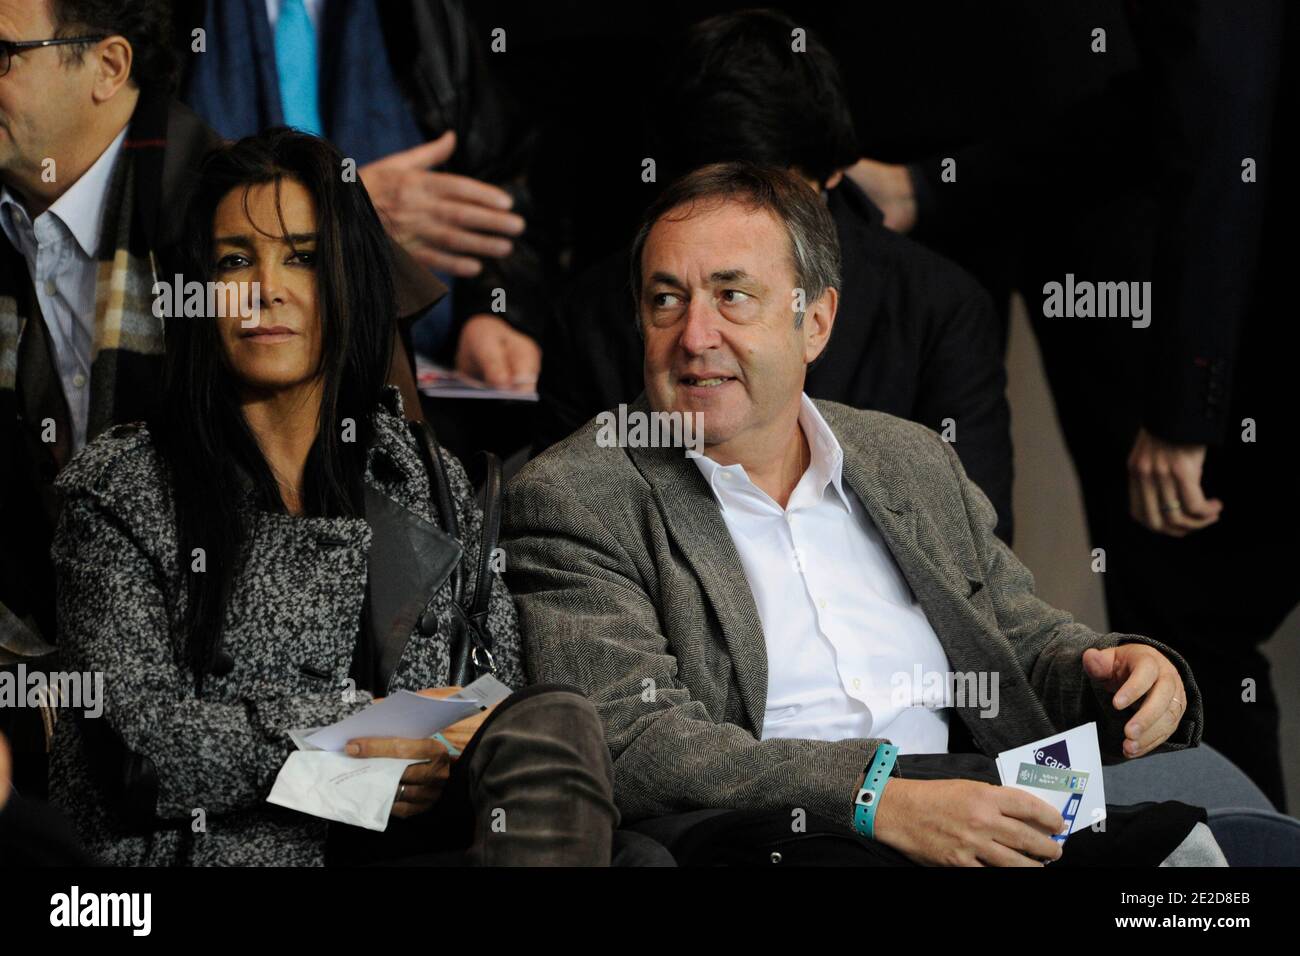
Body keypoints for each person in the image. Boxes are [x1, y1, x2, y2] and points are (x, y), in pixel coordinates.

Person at [504, 163, 1224, 866]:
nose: (694, 336)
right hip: (778, 832)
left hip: (980, 797)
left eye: (732, 296)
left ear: (814, 322)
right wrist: (878, 797)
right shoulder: (578, 494)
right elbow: (631, 742)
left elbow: (1020, 645)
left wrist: (1125, 675)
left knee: (1195, 860)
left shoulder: (907, 459)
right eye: (667, 300)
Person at [48, 128, 618, 866]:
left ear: (350, 277)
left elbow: (481, 698)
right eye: (233, 261)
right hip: (212, 856)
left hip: (409, 846)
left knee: (565, 737)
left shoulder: (424, 475)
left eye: (303, 258)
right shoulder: (121, 491)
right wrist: (344, 735)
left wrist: (421, 745)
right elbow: (139, 749)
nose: (268, 288)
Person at [848, 1, 1298, 810]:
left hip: (1220, 355)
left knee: (1192, 641)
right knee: (1188, 643)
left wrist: (1185, 410)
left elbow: (1221, 133)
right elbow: (1164, 102)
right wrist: (934, 188)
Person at [535, 10, 1013, 541]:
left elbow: (976, 556)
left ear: (832, 171)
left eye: (776, 199)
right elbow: (574, 534)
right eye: (716, 195)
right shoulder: (589, 315)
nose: (745, 230)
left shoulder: (939, 306)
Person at [174, 0, 548, 392]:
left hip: (414, 377)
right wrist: (351, 216)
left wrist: (488, 314)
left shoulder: (422, 12)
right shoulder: (165, 19)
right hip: (212, 382)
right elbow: (134, 214)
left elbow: (500, 179)